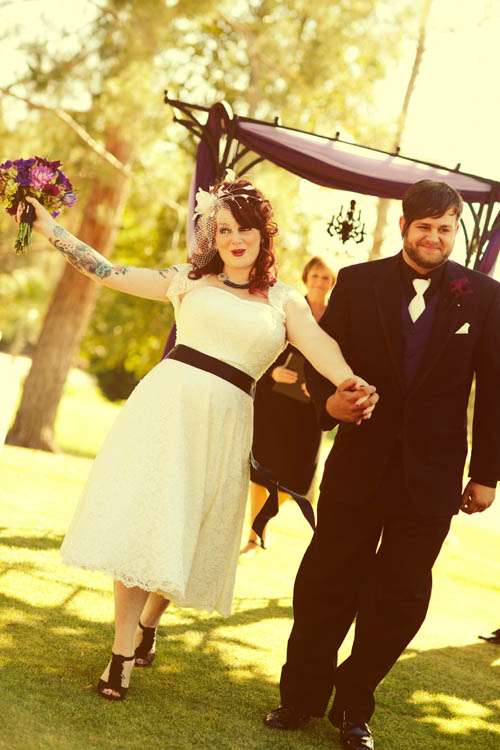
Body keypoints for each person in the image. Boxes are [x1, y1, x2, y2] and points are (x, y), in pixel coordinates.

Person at [16, 178, 377, 703]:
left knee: (190, 529)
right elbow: (107, 271)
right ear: (213, 234)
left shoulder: (284, 301)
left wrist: (350, 382)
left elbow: (321, 345)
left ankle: (149, 622)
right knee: (147, 521)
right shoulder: (187, 279)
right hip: (165, 411)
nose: (235, 239)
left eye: (244, 229)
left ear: (263, 234)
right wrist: (50, 227)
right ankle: (121, 653)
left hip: (226, 421)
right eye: (224, 229)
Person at [264, 179, 500, 750]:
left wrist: (486, 474)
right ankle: (300, 699)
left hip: (433, 476)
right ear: (403, 227)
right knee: (326, 583)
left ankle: (354, 705)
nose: (435, 238)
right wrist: (328, 405)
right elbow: (321, 359)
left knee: (400, 598)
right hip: (358, 465)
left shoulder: (485, 296)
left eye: (445, 229)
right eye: (425, 227)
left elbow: (495, 389)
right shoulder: (358, 282)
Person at [242, 256, 336, 553]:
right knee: (264, 467)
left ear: (332, 283)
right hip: (275, 403)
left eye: (325, 277)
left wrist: (322, 388)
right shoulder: (290, 308)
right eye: (315, 276)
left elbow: (340, 358)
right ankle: (255, 535)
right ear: (306, 278)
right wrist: (273, 373)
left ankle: (265, 518)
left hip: (310, 408)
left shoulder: (337, 317)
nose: (319, 282)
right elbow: (264, 346)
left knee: (299, 475)